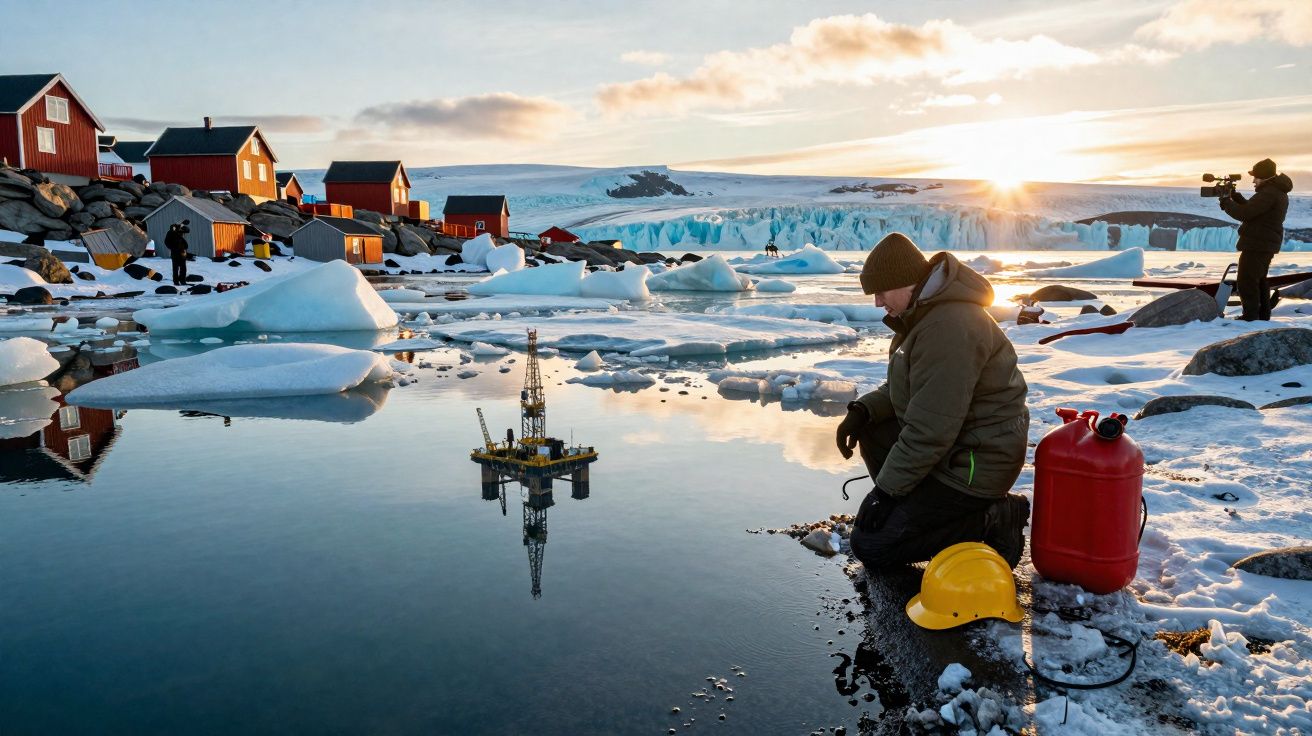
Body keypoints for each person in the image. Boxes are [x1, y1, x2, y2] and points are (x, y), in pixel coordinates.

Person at [836, 233, 1031, 569]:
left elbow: (931, 428)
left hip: (977, 464)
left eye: (880, 292)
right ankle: (916, 505)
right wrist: (862, 410)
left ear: (904, 282)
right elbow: (914, 390)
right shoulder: (926, 315)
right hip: (961, 447)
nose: (878, 303)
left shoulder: (948, 326)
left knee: (871, 546)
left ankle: (994, 518)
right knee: (873, 425)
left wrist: (885, 493)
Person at [1219, 158, 1293, 321]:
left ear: (1264, 177)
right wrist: (1237, 199)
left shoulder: (1269, 193)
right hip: (1263, 242)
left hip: (1259, 242)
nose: (1253, 180)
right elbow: (1255, 212)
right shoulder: (1274, 191)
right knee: (1258, 280)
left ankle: (1251, 316)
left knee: (1247, 280)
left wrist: (1227, 203)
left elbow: (1245, 214)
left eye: (1256, 177)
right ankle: (1261, 315)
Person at [165, 219, 191, 286]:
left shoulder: (180, 231)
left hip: (182, 251)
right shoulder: (170, 233)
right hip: (174, 252)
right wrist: (172, 248)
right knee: (175, 268)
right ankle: (176, 282)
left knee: (183, 268)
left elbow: (187, 230)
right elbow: (166, 242)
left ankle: (183, 281)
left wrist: (182, 226)